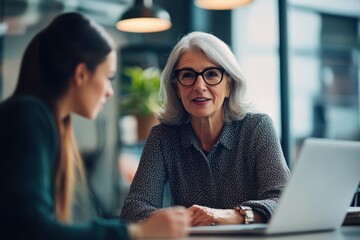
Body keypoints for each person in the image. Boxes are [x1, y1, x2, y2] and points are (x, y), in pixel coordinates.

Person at [0, 12, 188, 240]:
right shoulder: (28, 116)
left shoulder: (41, 119)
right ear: (80, 74)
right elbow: (31, 230)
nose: (110, 92)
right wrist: (137, 232)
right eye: (108, 77)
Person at [120, 31, 290, 226]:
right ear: (177, 88)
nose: (199, 86)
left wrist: (232, 215)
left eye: (211, 74)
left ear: (229, 85)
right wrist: (183, 219)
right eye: (188, 75)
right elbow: (133, 210)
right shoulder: (163, 137)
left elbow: (283, 200)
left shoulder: (257, 128)